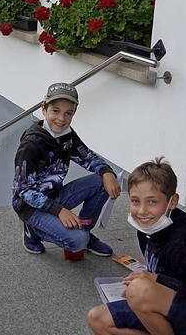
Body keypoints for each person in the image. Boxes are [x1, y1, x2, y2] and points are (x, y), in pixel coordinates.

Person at [87, 157, 186, 335]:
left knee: (138, 290)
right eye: (135, 201)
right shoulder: (146, 229)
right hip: (174, 305)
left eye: (152, 201)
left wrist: (156, 281)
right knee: (97, 319)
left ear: (172, 202)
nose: (141, 211)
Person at [12, 82, 121, 258]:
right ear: (44, 109)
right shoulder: (31, 145)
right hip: (30, 206)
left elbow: (87, 156)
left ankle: (85, 231)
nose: (61, 119)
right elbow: (23, 190)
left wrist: (107, 172)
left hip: (55, 195)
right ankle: (33, 228)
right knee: (76, 242)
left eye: (68, 113)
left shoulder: (66, 134)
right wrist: (59, 211)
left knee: (103, 181)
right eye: (55, 111)